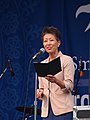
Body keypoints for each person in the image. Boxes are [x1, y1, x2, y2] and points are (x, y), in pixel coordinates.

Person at [36, 26, 75, 120]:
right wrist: (39, 92)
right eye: (45, 41)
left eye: (51, 40)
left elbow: (69, 86)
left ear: (58, 43)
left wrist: (56, 81)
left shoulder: (66, 60)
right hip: (46, 112)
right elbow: (42, 87)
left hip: (63, 110)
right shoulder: (42, 64)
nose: (48, 43)